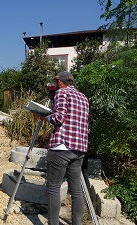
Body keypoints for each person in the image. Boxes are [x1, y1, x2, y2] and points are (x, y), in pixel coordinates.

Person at [33, 71, 89, 225]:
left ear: (60, 82)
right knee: (76, 190)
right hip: (79, 149)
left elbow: (58, 118)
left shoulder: (62, 93)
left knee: (53, 188)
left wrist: (43, 116)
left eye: (56, 83)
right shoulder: (83, 97)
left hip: (61, 147)